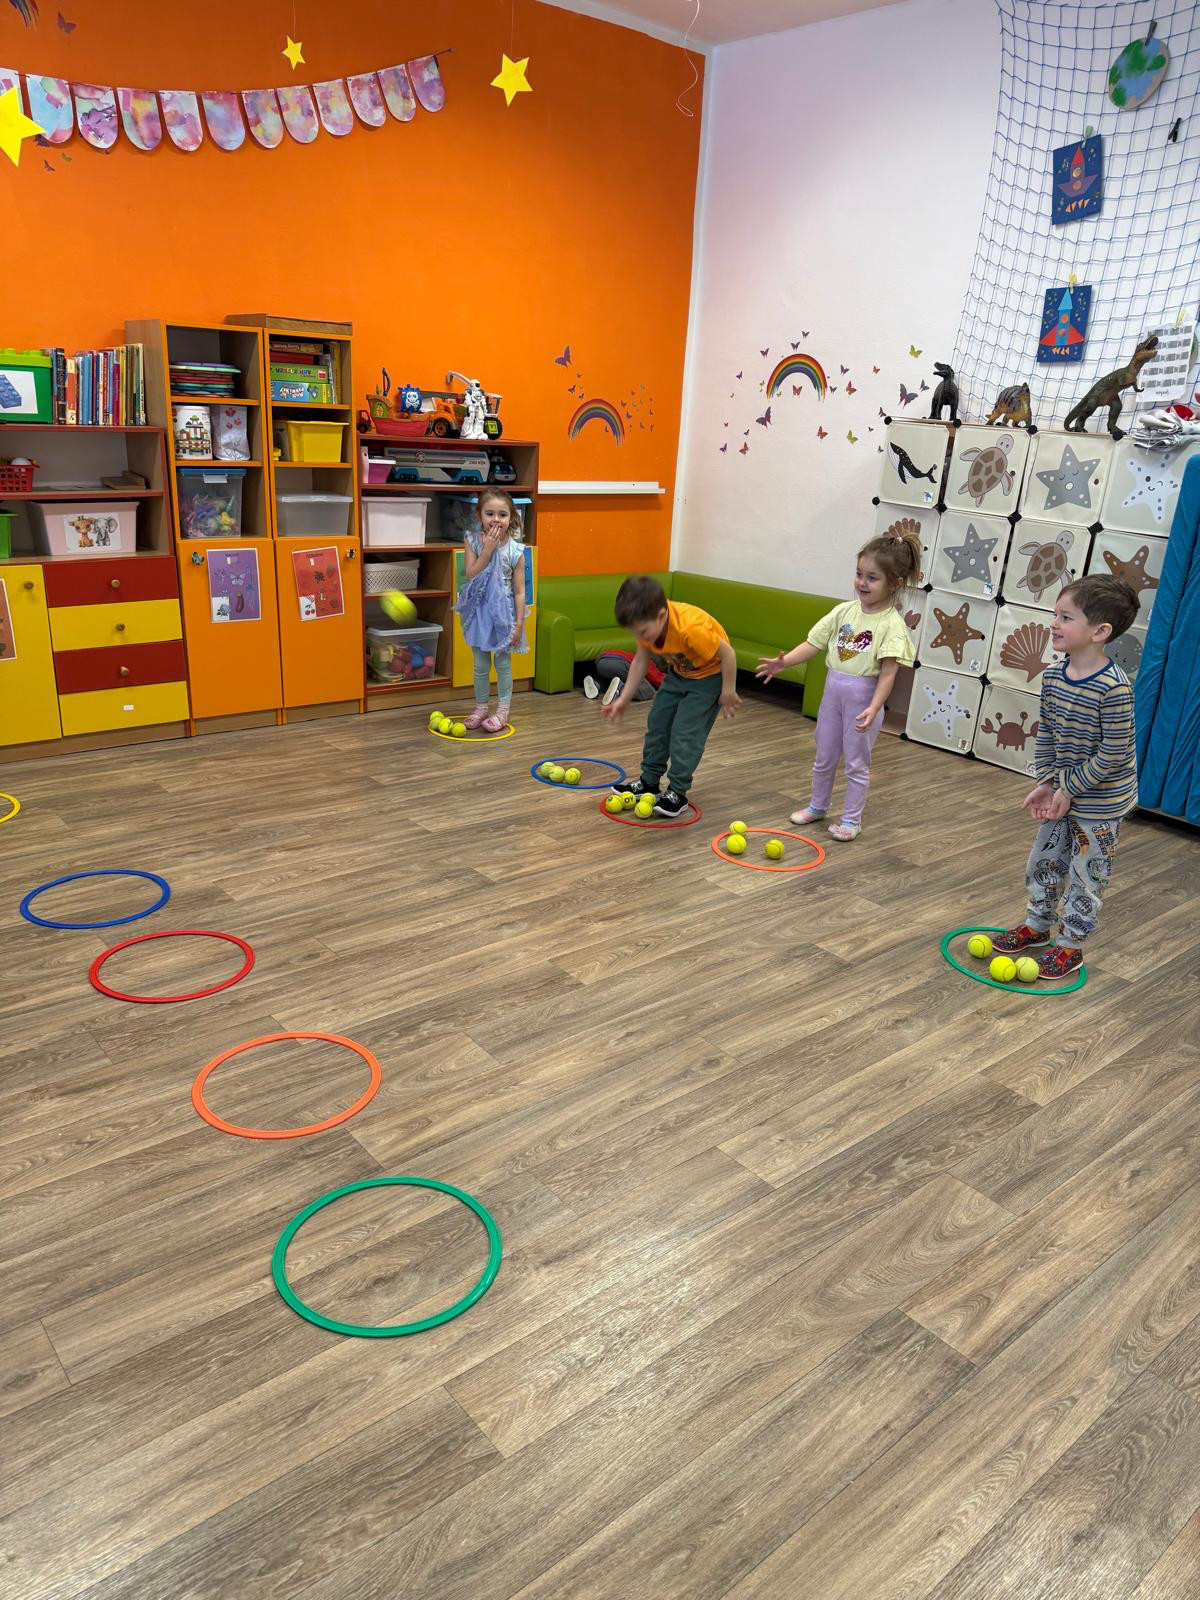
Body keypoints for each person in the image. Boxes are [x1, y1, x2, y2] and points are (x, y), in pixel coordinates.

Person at [992, 575, 1139, 981]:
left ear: (1100, 631)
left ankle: (1071, 946)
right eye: (1055, 614)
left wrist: (1069, 788)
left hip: (1101, 805)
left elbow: (1113, 753)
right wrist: (1046, 782)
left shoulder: (1115, 689)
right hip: (1063, 794)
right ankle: (1037, 926)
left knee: (1086, 876)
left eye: (1066, 617)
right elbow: (1049, 734)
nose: (1053, 623)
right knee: (1044, 862)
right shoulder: (1054, 677)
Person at [756, 528, 920, 840]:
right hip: (833, 695)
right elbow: (813, 644)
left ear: (895, 584)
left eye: (872, 578)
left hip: (863, 703)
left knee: (856, 764)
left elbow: (889, 673)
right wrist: (784, 662)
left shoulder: (891, 625)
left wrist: (874, 707)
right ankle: (818, 805)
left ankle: (851, 821)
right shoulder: (843, 612)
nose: (862, 583)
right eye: (859, 574)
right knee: (824, 756)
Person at [601, 575, 740, 816]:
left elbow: (728, 654)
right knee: (658, 723)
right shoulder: (647, 626)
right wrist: (624, 698)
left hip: (710, 677)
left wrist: (728, 691)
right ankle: (649, 781)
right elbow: (641, 660)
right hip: (679, 673)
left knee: (685, 733)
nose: (641, 638)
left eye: (643, 632)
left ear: (661, 616)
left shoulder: (690, 628)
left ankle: (677, 791)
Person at [456, 490, 527, 732]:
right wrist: (487, 550)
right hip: (479, 612)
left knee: (503, 664)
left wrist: (518, 625)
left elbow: (519, 592)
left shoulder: (516, 550)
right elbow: (471, 574)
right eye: (490, 513)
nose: (496, 519)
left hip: (504, 616)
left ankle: (502, 711)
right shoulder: (472, 540)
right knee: (480, 665)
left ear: (511, 518)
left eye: (502, 514)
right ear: (480, 516)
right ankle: (481, 708)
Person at [583, 649, 663, 706]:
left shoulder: (635, 655)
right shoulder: (649, 662)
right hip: (619, 663)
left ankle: (596, 684)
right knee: (648, 690)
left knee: (613, 682)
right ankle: (621, 689)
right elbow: (658, 679)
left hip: (602, 661)